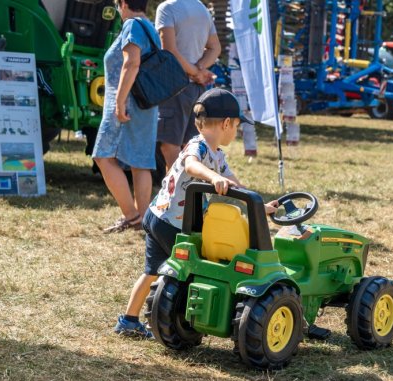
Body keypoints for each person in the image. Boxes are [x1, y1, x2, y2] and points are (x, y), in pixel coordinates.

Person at [114, 89, 279, 338]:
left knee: (152, 270)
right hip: (173, 224)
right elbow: (191, 165)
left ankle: (128, 320)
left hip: (158, 216)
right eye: (236, 125)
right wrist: (213, 177)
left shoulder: (218, 156)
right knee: (187, 271)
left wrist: (260, 208)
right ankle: (165, 315)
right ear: (226, 124)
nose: (236, 131)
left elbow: (238, 187)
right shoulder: (198, 146)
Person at [92, 0, 159, 233]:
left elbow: (131, 63)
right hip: (147, 104)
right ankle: (142, 219)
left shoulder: (131, 25)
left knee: (103, 156)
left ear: (122, 3)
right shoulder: (149, 26)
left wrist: (119, 102)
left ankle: (131, 216)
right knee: (140, 162)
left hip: (127, 103)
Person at [155, 0, 221, 169]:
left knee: (170, 145)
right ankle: (189, 190)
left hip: (174, 87)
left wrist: (194, 70)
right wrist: (200, 68)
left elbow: (169, 51)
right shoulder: (202, 9)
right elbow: (215, 48)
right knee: (190, 146)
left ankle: (176, 191)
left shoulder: (167, 8)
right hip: (197, 89)